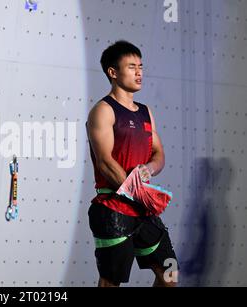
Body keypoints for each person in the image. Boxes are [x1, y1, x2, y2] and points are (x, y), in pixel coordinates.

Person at [86, 41, 178, 287]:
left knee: (170, 275)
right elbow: (105, 162)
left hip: (142, 209)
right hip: (113, 209)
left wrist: (150, 168)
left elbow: (158, 154)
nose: (139, 72)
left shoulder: (145, 111)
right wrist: (135, 192)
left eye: (140, 66)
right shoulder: (103, 111)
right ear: (113, 72)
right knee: (110, 283)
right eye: (131, 67)